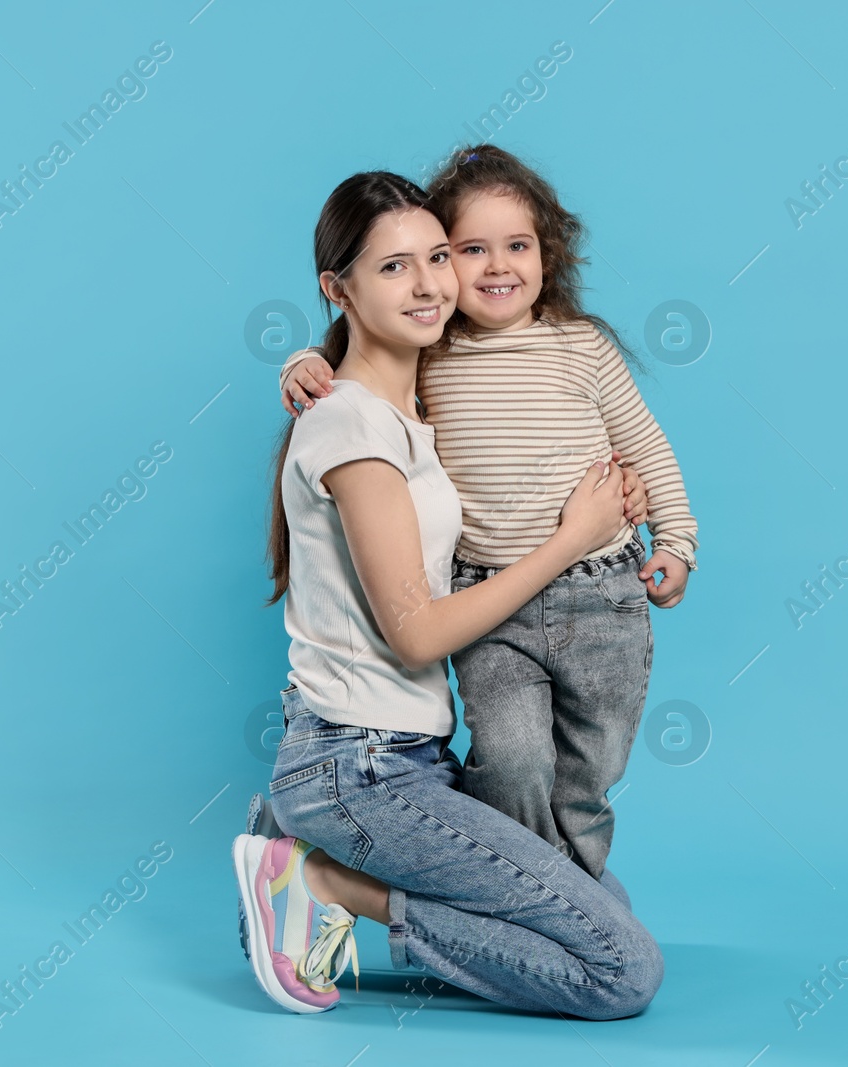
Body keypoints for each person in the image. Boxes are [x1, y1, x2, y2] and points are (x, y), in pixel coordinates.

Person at [234, 170, 663, 1019]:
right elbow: (419, 636)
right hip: (356, 766)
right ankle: (321, 880)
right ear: (339, 287)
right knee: (620, 971)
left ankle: (313, 855)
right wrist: (571, 540)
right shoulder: (354, 428)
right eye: (393, 267)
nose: (430, 282)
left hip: (413, 758)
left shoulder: (419, 403)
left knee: (601, 914)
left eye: (437, 256)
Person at [275, 144, 699, 883]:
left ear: (548, 254)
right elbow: (361, 352)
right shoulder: (435, 350)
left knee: (589, 770)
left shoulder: (580, 347)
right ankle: (534, 893)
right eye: (471, 249)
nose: (497, 266)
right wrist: (301, 363)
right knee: (511, 758)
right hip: (489, 600)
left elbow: (647, 445)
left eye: (518, 246)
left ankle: (576, 890)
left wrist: (679, 539)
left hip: (601, 593)